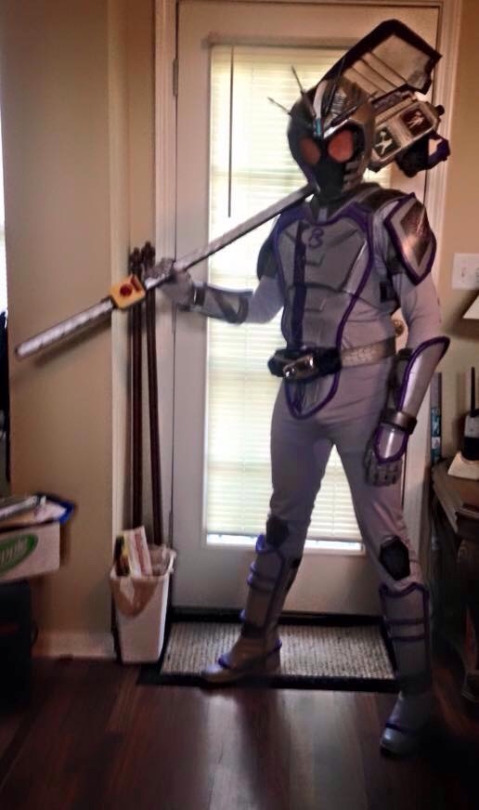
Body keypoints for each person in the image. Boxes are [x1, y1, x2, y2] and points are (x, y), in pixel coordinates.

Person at [161, 20, 450, 757]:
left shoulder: (394, 216)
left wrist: (397, 425)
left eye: (340, 143)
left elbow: (427, 328)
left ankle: (418, 701)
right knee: (281, 526)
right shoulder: (288, 226)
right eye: (312, 146)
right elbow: (260, 308)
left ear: (363, 139)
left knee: (389, 549)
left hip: (366, 397)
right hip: (295, 395)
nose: (325, 157)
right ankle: (256, 644)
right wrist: (187, 294)